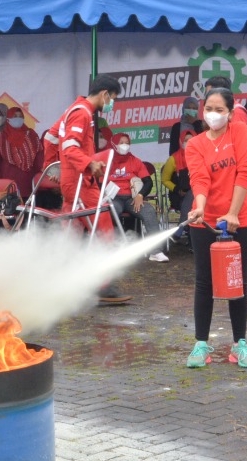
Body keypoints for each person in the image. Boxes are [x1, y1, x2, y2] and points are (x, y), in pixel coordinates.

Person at [184, 87, 247, 369]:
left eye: (219, 109)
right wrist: (200, 207)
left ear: (230, 112)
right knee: (204, 281)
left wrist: (233, 212)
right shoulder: (195, 144)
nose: (213, 114)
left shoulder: (239, 132)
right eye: (209, 109)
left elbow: (245, 171)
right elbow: (200, 179)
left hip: (243, 217)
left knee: (238, 280)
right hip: (206, 221)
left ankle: (239, 344)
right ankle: (201, 345)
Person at [48, 75, 130, 304]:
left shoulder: (74, 109)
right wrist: (89, 164)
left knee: (70, 233)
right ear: (105, 94)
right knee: (104, 227)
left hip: (72, 181)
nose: (112, 103)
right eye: (113, 98)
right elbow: (70, 146)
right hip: (80, 182)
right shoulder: (82, 112)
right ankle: (103, 285)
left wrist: (52, 167)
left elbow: (50, 137)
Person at [99, 133, 168, 262]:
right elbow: (98, 182)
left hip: (132, 198)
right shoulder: (106, 161)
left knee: (148, 211)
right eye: (121, 142)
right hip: (113, 197)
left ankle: (156, 252)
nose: (125, 145)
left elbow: (148, 182)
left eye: (127, 142)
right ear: (113, 144)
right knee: (111, 211)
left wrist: (140, 195)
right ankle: (116, 249)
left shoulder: (134, 160)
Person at [0, 106, 43, 197]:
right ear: (8, 119)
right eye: (14, 116)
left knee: (29, 209)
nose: (18, 118)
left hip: (30, 183)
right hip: (8, 184)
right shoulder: (0, 137)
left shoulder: (32, 135)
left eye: (20, 116)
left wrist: (40, 180)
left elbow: (39, 160)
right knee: (11, 210)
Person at [162, 129, 195, 243]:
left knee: (194, 194)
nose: (189, 142)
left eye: (191, 140)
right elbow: (164, 180)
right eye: (186, 140)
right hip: (179, 195)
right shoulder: (173, 159)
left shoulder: (202, 156)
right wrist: (177, 189)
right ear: (181, 142)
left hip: (200, 194)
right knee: (193, 201)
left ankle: (180, 228)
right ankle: (192, 241)